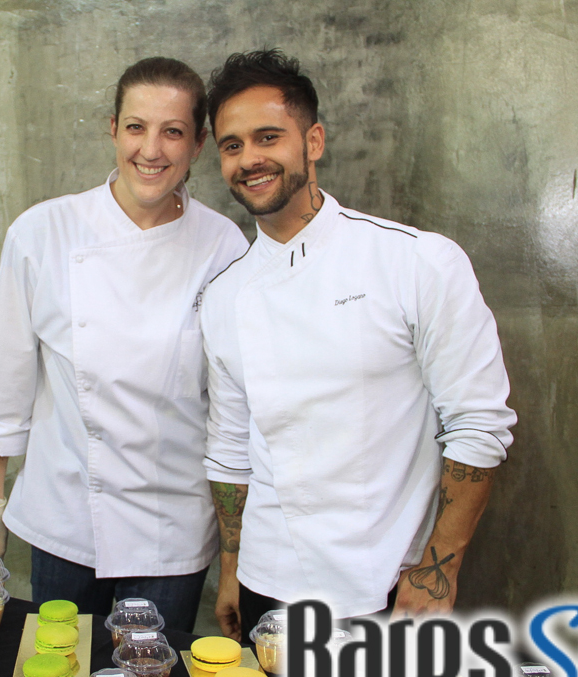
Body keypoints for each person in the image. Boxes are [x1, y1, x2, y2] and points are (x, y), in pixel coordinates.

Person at [200, 50, 517, 642]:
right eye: (232, 145)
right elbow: (229, 450)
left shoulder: (415, 261)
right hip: (266, 580)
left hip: (386, 583)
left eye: (268, 137)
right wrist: (232, 569)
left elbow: (478, 425)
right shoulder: (223, 296)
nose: (249, 159)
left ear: (313, 141)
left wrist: (438, 571)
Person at [0, 57, 249, 632]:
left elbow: (233, 411)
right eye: (136, 127)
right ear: (112, 129)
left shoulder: (224, 246)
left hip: (172, 522)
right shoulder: (42, 233)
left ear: (198, 145)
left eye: (173, 132)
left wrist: (238, 550)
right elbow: (8, 377)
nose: (151, 150)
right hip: (67, 512)